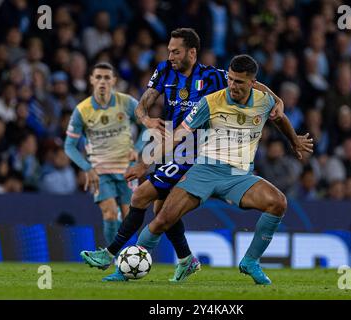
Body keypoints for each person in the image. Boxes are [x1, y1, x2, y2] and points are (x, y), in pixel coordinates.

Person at [81, 28, 284, 282]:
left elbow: (253, 84)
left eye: (175, 51)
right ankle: (186, 259)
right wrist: (147, 120)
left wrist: (278, 102)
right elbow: (142, 106)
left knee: (142, 195)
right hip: (172, 143)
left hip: (196, 151)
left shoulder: (212, 76)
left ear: (192, 52)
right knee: (161, 209)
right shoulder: (165, 71)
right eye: (169, 50)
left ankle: (109, 254)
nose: (171, 55)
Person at [133, 54, 311, 285]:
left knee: (278, 202)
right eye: (231, 79)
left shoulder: (264, 101)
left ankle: (250, 262)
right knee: (163, 219)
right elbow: (177, 136)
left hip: (239, 176)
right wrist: (146, 163)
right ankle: (128, 265)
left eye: (239, 82)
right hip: (205, 170)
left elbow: (281, 119)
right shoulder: (210, 101)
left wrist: (294, 140)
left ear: (252, 82)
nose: (233, 85)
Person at [64, 62, 145, 252]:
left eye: (107, 77)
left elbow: (147, 127)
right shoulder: (82, 110)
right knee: (109, 214)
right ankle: (115, 257)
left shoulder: (127, 102)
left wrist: (138, 148)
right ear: (91, 80)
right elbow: (69, 146)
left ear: (114, 81)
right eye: (98, 77)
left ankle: (127, 256)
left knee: (128, 217)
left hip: (127, 170)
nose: (102, 81)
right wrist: (87, 168)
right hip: (100, 172)